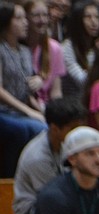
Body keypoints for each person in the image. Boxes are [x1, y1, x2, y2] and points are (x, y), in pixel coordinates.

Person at [13, 97, 86, 214]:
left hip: (59, 199)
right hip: (30, 211)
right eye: (73, 129)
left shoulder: (65, 143)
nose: (77, 134)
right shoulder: (37, 157)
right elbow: (52, 197)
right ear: (55, 129)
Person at [0, 1, 48, 178]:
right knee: (29, 129)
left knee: (47, 123)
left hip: (22, 108)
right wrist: (29, 111)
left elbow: (27, 91)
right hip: (4, 111)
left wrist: (39, 108)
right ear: (5, 22)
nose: (25, 22)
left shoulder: (26, 52)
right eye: (19, 18)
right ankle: (11, 178)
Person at [60, 0, 99, 102]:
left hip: (91, 99)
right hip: (72, 100)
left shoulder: (96, 47)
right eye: (88, 17)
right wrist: (96, 54)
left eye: (97, 17)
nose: (94, 22)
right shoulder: (67, 47)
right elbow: (83, 81)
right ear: (77, 20)